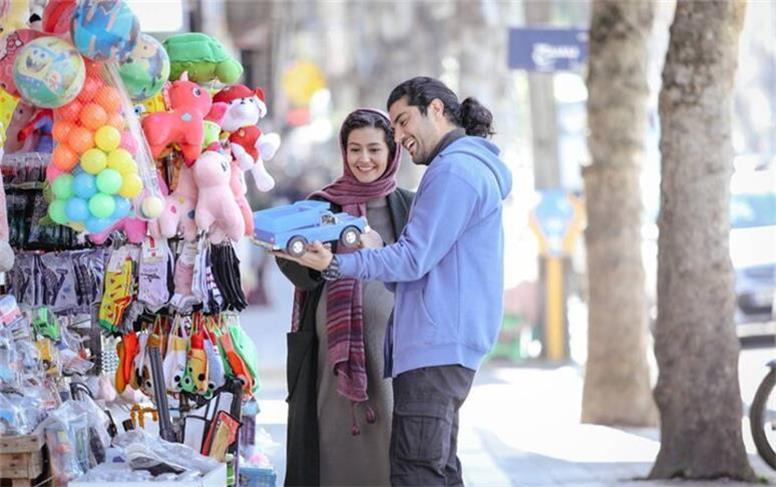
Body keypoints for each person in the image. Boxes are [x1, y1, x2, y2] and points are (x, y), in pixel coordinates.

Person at [276, 76, 513, 485]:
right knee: (437, 469)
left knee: (415, 472)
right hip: (437, 345)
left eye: (403, 123)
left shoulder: (453, 171)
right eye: (395, 128)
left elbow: (411, 258)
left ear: (436, 110)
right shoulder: (462, 167)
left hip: (434, 345)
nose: (400, 136)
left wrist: (338, 263)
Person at [277, 108, 414, 486]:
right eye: (355, 149)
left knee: (390, 437)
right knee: (332, 436)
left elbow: (420, 266)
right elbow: (297, 273)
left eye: (374, 149)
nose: (364, 159)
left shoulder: (409, 205)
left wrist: (379, 246)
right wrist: (305, 260)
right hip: (333, 348)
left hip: (394, 346)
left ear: (391, 152)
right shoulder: (323, 205)